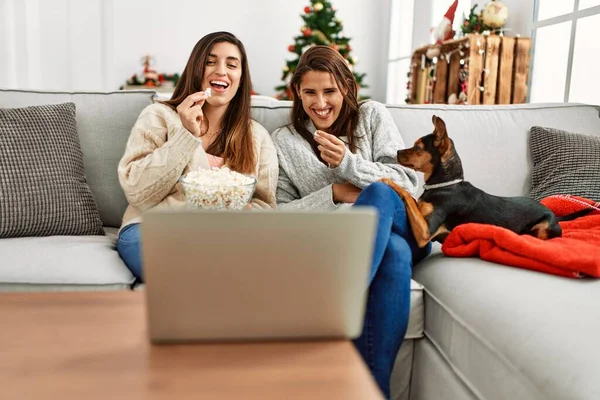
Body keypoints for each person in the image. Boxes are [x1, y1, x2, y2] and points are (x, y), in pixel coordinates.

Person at [271, 45, 431, 398]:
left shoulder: (372, 116)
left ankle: (331, 313)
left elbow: (410, 182)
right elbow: (280, 216)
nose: (320, 103)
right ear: (297, 91)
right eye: (310, 92)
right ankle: (372, 391)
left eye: (329, 91)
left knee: (379, 194)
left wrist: (349, 164)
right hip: (349, 238)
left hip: (406, 223)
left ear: (345, 86)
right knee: (394, 253)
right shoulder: (284, 141)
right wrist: (335, 194)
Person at [116, 31, 279, 282]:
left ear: (240, 78)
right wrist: (186, 136)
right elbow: (138, 191)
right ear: (196, 69)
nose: (221, 71)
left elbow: (265, 206)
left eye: (232, 65)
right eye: (210, 62)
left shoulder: (256, 137)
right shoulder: (159, 116)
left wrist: (246, 213)